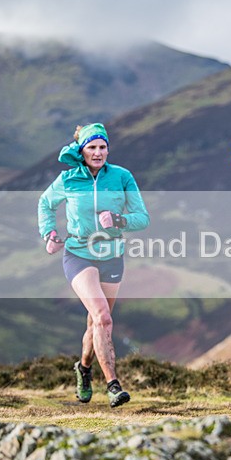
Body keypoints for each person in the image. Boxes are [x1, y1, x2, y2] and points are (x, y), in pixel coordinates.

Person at [38, 123, 149, 408]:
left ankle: (84, 369)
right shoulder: (69, 178)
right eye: (92, 147)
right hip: (78, 254)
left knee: (95, 322)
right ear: (82, 150)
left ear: (108, 149)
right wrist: (49, 234)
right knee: (103, 317)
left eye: (102, 147)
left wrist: (119, 219)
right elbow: (45, 203)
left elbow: (143, 217)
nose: (98, 153)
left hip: (112, 254)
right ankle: (113, 384)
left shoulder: (122, 177)